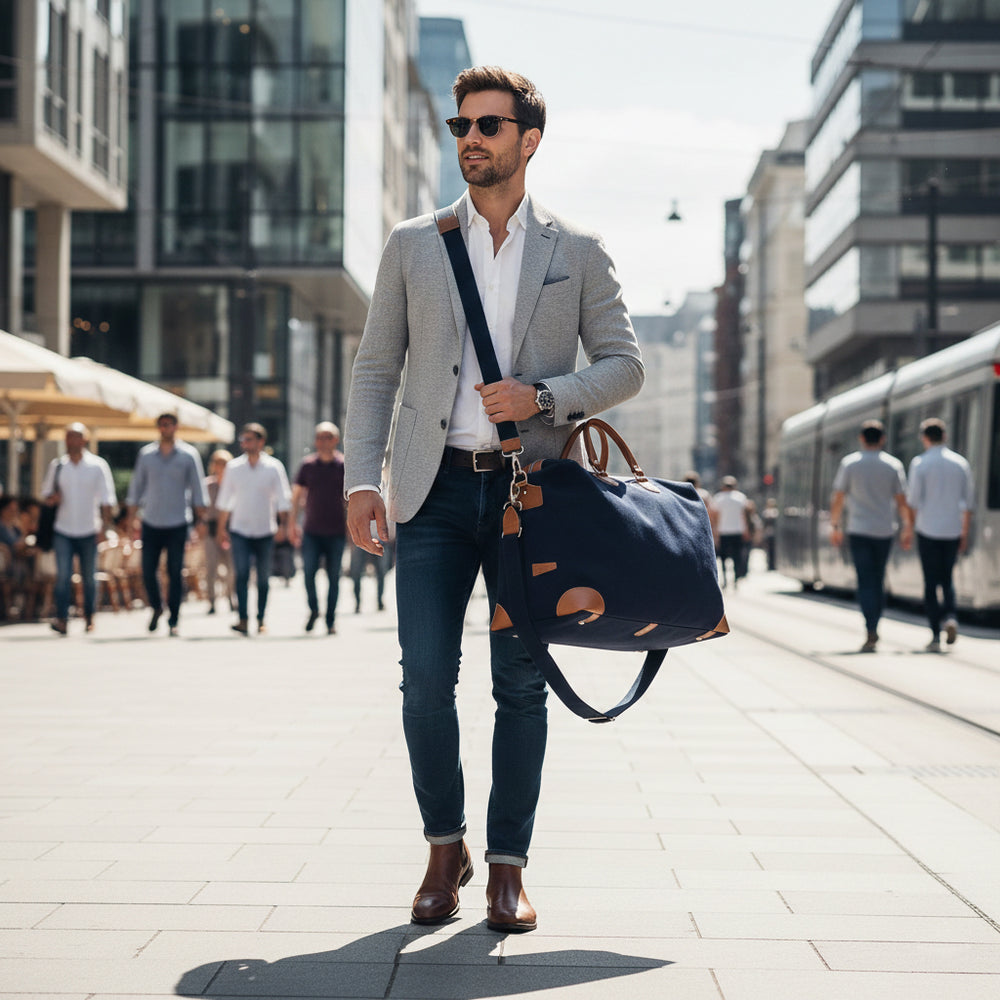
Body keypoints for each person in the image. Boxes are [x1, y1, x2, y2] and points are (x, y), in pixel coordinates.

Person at [343, 66, 644, 934]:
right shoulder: (414, 243)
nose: (470, 138)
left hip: (529, 499)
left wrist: (543, 397)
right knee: (425, 683)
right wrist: (365, 478)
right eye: (460, 125)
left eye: (487, 125)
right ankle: (446, 847)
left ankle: (508, 867)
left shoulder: (576, 250)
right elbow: (375, 371)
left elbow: (624, 364)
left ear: (528, 140)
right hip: (430, 493)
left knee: (520, 686)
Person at [829, 420, 912, 652]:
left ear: (862, 438)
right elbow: (902, 500)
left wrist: (834, 525)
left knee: (865, 581)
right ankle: (876, 622)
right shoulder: (893, 465)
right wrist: (907, 526)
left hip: (858, 530)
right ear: (882, 439)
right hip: (884, 530)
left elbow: (838, 497)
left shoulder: (850, 463)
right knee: (878, 579)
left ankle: (870, 628)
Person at [126, 413, 208, 637]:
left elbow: (198, 489)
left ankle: (174, 618)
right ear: (158, 428)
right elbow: (136, 488)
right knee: (148, 570)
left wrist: (201, 520)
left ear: (176, 427)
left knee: (174, 571)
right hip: (151, 521)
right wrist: (131, 516)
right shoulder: (146, 455)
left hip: (177, 522)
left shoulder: (188, 455)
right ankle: (156, 606)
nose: (165, 428)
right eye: (162, 425)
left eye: (169, 425)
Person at [216, 422, 292, 636]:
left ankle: (260, 619)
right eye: (243, 439)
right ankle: (242, 618)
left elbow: (283, 499)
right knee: (240, 574)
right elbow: (224, 501)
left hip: (265, 530)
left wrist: (283, 526)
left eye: (249, 439)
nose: (244, 443)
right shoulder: (233, 467)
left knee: (263, 578)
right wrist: (221, 529)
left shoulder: (274, 467)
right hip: (239, 529)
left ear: (261, 442)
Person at [40, 423, 116, 635]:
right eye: (68, 437)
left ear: (84, 440)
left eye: (76, 437)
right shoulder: (58, 466)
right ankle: (62, 619)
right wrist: (52, 499)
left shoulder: (97, 466)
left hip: (89, 529)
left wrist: (104, 527)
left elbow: (107, 499)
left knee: (89, 577)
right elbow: (45, 494)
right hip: (62, 529)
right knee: (63, 577)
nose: (72, 441)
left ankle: (89, 617)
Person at [906, 417, 975, 652]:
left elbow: (913, 501)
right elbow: (968, 503)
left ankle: (935, 634)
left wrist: (909, 528)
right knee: (947, 579)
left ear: (925, 438)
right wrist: (964, 532)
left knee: (930, 583)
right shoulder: (960, 463)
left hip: (927, 530)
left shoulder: (920, 463)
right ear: (944, 436)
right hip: (952, 529)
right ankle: (951, 617)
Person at [289, 422, 347, 635]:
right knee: (308, 575)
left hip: (337, 531)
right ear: (315, 441)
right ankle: (314, 610)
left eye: (328, 437)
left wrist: (352, 529)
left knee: (334, 578)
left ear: (336, 440)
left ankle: (330, 620)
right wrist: (292, 524)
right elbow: (295, 497)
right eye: (320, 437)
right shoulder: (307, 466)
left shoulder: (343, 465)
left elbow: (349, 501)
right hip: (311, 531)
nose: (324, 441)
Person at [202, 449, 235, 615]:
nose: (220, 466)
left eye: (224, 463)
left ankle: (230, 597)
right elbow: (201, 509)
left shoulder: (234, 484)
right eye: (218, 463)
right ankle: (212, 601)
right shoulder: (207, 485)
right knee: (211, 568)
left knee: (232, 569)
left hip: (231, 530)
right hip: (211, 529)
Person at [713, 476, 749, 590]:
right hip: (737, 531)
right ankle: (735, 579)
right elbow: (744, 515)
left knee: (723, 558)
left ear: (723, 486)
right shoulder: (741, 497)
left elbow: (716, 517)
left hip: (723, 531)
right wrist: (745, 530)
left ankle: (724, 580)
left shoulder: (718, 498)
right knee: (736, 557)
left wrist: (715, 533)